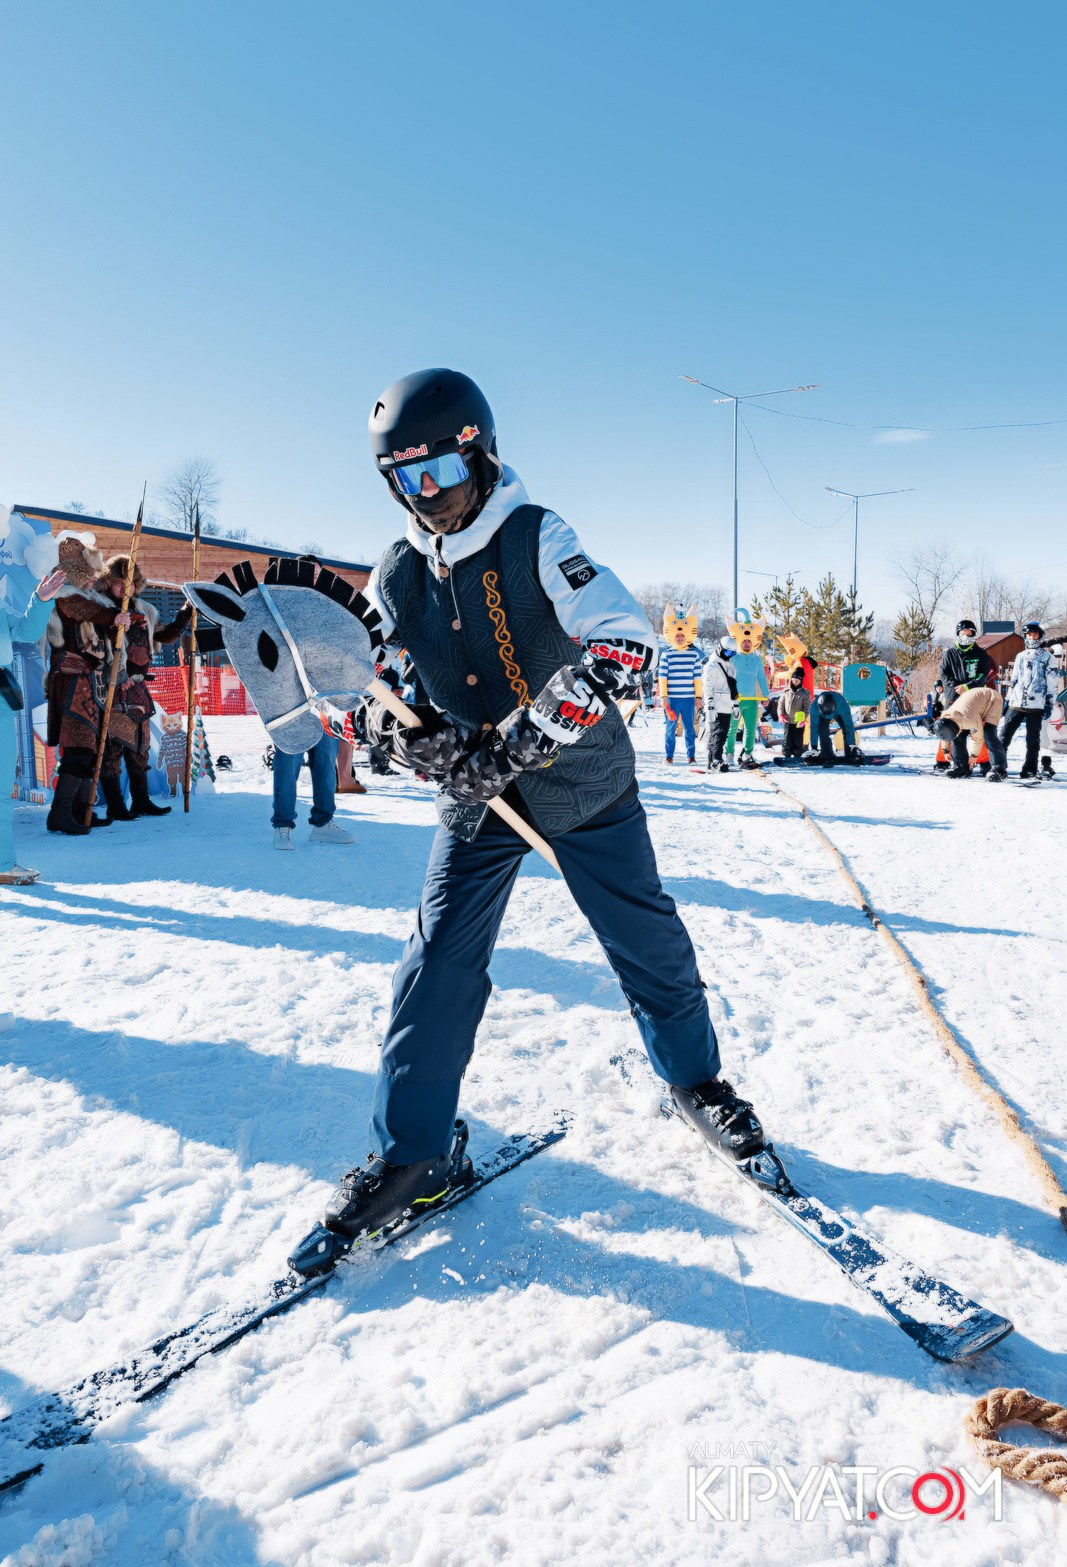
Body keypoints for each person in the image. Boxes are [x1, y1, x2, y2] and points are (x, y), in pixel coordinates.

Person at [290, 368, 765, 1268]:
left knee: (644, 940)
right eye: (403, 480)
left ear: (481, 452)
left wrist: (519, 742)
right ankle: (415, 1154)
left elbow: (625, 641)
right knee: (435, 963)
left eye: (437, 473)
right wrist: (401, 744)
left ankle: (698, 1082)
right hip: (477, 800)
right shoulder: (395, 574)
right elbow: (375, 694)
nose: (424, 497)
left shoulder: (536, 534)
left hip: (582, 782)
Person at [95, 556, 193, 821]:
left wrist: (185, 613)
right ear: (108, 584)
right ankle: (116, 805)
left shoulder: (146, 611)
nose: (124, 589)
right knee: (113, 749)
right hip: (113, 686)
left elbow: (165, 635)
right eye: (118, 583)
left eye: (129, 584)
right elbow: (98, 647)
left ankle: (141, 801)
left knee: (140, 748)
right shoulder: (100, 610)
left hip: (138, 690)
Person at [45, 538, 127, 836]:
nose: (95, 579)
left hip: (85, 683)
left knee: (88, 750)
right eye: (89, 575)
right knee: (78, 749)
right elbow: (81, 609)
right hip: (69, 682)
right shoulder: (65, 595)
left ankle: (79, 811)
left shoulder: (87, 600)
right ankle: (60, 814)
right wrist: (111, 616)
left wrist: (115, 620)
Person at [1, 568, 66, 884]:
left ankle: (2, 863)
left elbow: (26, 631)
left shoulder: (0, 612)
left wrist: (40, 601)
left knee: (0, 790)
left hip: (0, 705)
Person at [271, 730, 355, 848]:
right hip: (291, 714)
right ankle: (283, 825)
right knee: (287, 765)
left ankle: (323, 823)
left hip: (323, 714)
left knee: (326, 761)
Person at [1000, 622, 1055, 779]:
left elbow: (1052, 683)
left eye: (1034, 634)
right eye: (1028, 635)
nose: (1031, 638)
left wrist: (1049, 703)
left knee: (1032, 739)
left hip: (1036, 703)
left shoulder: (1048, 658)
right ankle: (998, 766)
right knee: (1004, 735)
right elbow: (1015, 679)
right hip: (1016, 702)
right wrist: (1008, 699)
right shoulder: (1020, 656)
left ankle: (1029, 769)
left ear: (1040, 635)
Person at [936, 683, 1007, 780]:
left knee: (989, 733)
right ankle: (961, 768)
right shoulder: (945, 716)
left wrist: (974, 756)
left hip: (992, 699)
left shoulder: (969, 720)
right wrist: (945, 750)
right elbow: (944, 734)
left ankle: (999, 769)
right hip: (973, 704)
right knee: (958, 738)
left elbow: (978, 738)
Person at [657, 621, 703, 765]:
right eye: (677, 636)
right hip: (672, 699)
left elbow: (697, 678)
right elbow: (662, 677)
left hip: (688, 698)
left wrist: (698, 696)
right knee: (670, 728)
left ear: (687, 637)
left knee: (689, 728)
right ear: (673, 637)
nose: (680, 638)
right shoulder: (666, 654)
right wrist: (663, 696)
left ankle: (691, 756)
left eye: (682, 636)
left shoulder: (694, 655)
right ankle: (669, 756)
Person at [726, 636, 769, 769]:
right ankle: (729, 754)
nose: (746, 644)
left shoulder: (756, 659)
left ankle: (747, 753)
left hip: (751, 701)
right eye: (744, 641)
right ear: (739, 643)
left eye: (749, 641)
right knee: (732, 729)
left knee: (750, 729)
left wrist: (765, 695)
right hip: (736, 701)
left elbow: (761, 677)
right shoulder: (733, 658)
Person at [702, 637, 739, 772]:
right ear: (720, 649)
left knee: (723, 733)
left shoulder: (731, 666)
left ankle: (714, 759)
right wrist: (710, 704)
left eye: (732, 654)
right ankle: (715, 759)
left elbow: (733, 687)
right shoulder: (711, 666)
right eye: (727, 653)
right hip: (716, 705)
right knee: (717, 732)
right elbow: (707, 686)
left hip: (727, 705)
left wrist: (735, 704)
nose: (729, 656)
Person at [939, 621, 994, 705]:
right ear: (958, 634)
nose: (965, 637)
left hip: (974, 696)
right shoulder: (949, 654)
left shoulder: (981, 653)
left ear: (973, 634)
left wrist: (968, 686)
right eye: (962, 634)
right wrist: (956, 686)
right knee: (949, 717)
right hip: (953, 697)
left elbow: (983, 674)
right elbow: (943, 673)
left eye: (968, 634)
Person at [807, 689, 859, 764]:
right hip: (822, 716)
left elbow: (849, 726)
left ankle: (850, 753)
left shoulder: (842, 704)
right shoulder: (814, 708)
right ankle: (827, 755)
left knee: (846, 728)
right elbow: (814, 728)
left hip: (838, 713)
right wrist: (814, 747)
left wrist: (852, 745)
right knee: (823, 732)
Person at [778, 667, 811, 761]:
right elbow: (781, 704)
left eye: (797, 681)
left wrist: (804, 719)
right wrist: (781, 715)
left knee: (798, 740)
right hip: (787, 720)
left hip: (798, 722)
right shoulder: (786, 692)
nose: (794, 683)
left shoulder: (805, 693)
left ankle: (797, 756)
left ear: (800, 681)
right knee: (787, 739)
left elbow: (807, 707)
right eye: (793, 680)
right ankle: (786, 755)